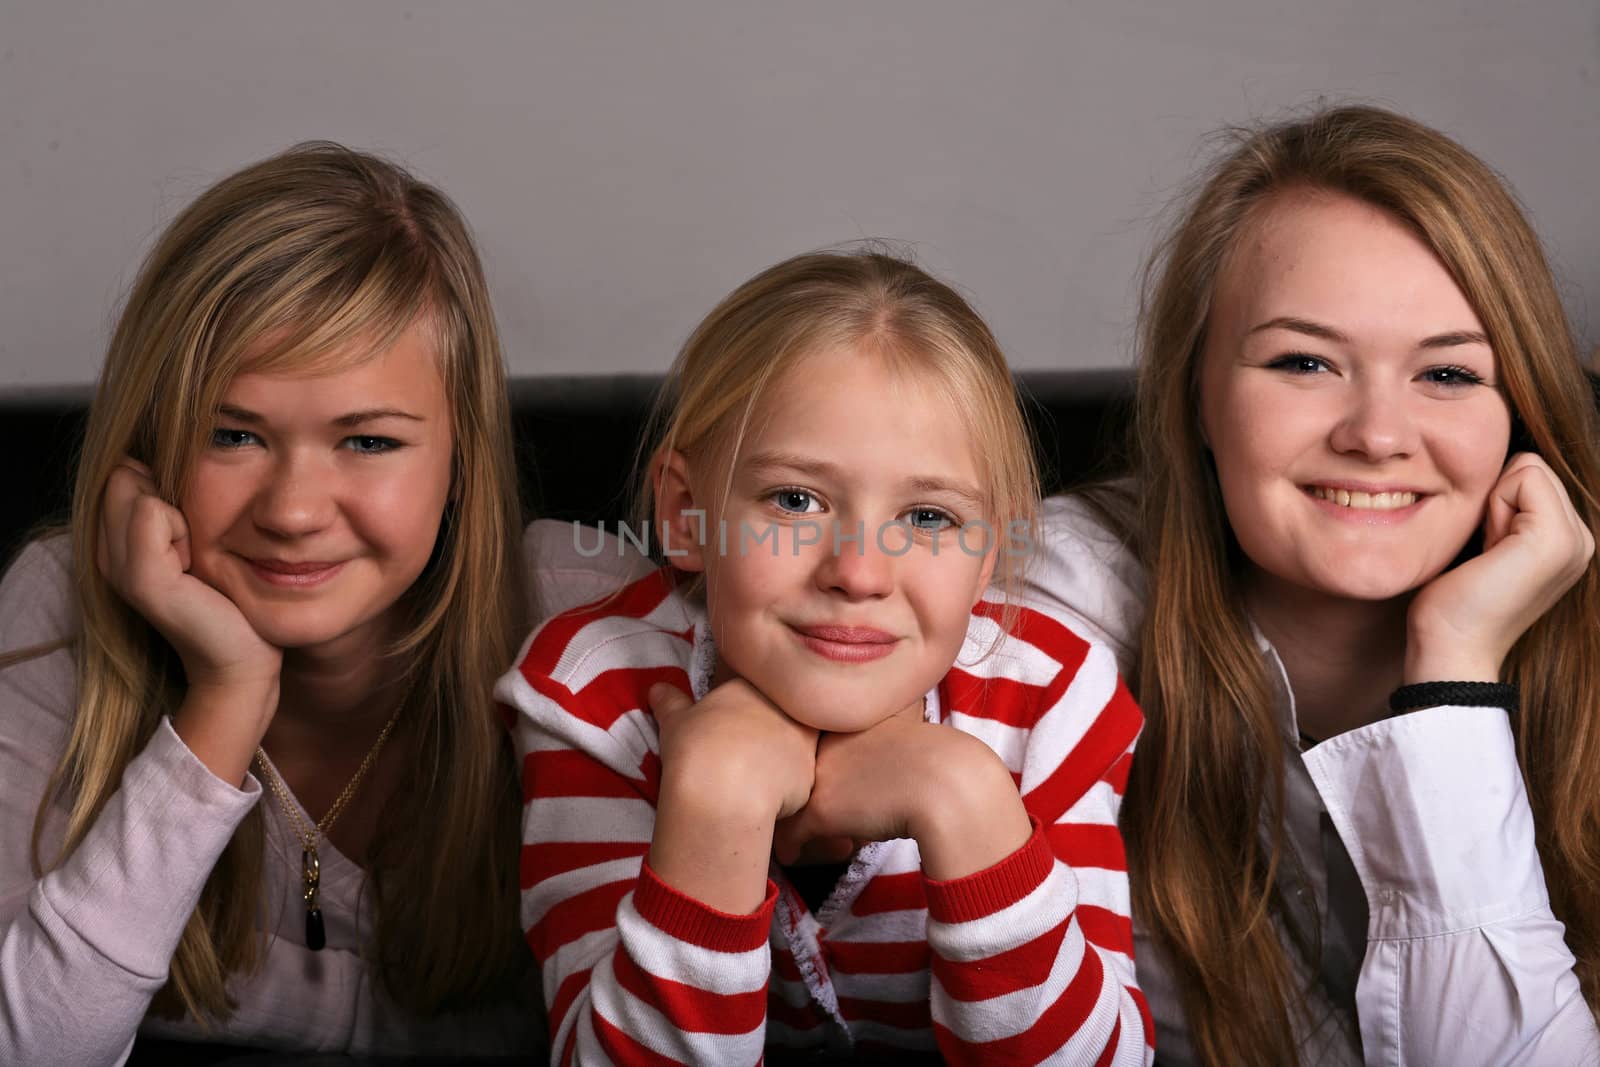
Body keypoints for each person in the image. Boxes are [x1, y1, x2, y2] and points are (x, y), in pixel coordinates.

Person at [1026, 105, 1600, 1064]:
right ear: (1196, 396)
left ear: (1522, 415)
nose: (1377, 434)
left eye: (1449, 374)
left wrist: (1453, 673)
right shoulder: (1065, 599)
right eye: (1305, 361)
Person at [498, 250, 1154, 1064]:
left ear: (992, 552)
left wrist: (965, 800)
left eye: (928, 516)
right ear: (687, 514)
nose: (858, 572)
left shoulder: (1055, 699)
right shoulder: (594, 692)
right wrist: (714, 802)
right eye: (796, 500)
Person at [0, 143, 542, 1062]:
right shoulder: (60, 602)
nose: (292, 511)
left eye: (368, 442)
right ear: (151, 443)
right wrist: (223, 695)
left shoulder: (581, 616)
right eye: (231, 433)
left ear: (461, 461)